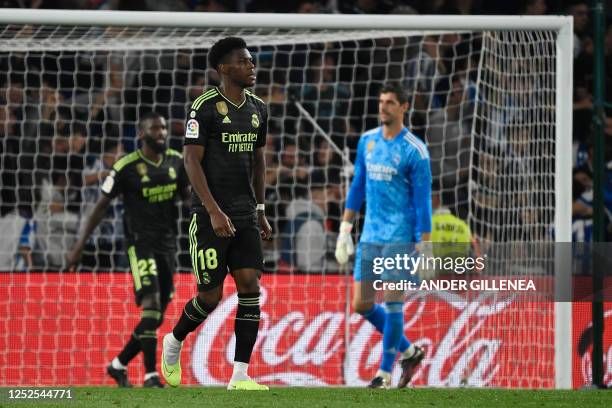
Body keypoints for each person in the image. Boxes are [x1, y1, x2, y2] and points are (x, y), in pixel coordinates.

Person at [160, 36, 272, 391]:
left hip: (245, 214)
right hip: (210, 215)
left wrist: (261, 209)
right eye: (244, 61)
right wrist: (212, 210)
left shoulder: (259, 108)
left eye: (252, 60)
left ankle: (240, 376)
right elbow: (191, 159)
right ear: (224, 68)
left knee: (250, 287)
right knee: (211, 297)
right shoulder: (204, 106)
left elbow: (258, 160)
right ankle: (174, 341)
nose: (251, 66)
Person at [66, 112, 190, 388]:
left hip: (168, 245)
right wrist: (78, 247)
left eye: (164, 127)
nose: (161, 132)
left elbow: (188, 197)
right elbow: (100, 208)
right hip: (139, 244)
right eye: (155, 128)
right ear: (141, 134)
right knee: (152, 304)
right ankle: (150, 375)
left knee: (157, 314)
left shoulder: (176, 161)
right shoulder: (125, 166)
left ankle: (118, 364)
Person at [335, 83, 432, 389]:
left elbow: (423, 202)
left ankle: (384, 373)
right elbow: (358, 186)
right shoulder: (367, 142)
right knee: (361, 305)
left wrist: (425, 245)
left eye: (390, 102)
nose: (383, 107)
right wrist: (345, 228)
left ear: (404, 107)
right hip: (370, 236)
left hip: (400, 237)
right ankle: (410, 351)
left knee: (393, 304)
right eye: (381, 101)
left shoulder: (415, 150)